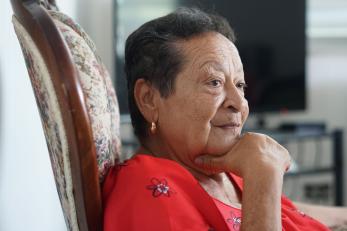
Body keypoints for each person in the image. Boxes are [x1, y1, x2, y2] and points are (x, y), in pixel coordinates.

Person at [103, 7, 347, 231]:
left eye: (240, 85)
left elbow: (289, 212)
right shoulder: (147, 191)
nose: (240, 103)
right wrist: (264, 173)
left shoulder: (222, 171)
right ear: (149, 99)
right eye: (214, 82)